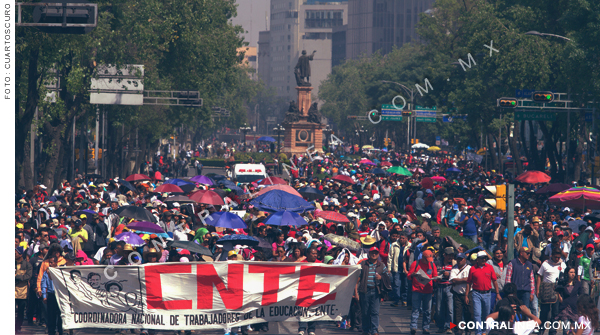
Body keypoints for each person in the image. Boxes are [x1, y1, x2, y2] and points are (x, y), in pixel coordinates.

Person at [465, 250, 500, 335]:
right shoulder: (472, 269)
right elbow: (469, 282)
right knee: (477, 313)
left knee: (487, 314)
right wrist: (466, 295)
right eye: (482, 258)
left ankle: (485, 331)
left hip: (487, 293)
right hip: (476, 293)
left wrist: (497, 293)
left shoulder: (489, 267)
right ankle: (478, 332)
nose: (484, 259)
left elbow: (494, 281)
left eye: (485, 258)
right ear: (477, 259)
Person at [357, 246, 387, 335]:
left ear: (378, 254)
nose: (374, 254)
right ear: (369, 254)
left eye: (376, 253)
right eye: (372, 253)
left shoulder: (381, 265)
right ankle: (366, 330)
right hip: (365, 291)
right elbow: (357, 277)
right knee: (365, 312)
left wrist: (381, 277)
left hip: (376, 291)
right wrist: (356, 292)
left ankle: (374, 330)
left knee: (375, 312)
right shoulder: (363, 264)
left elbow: (389, 278)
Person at [407, 249, 438, 335]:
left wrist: (437, 278)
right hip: (417, 290)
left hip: (428, 291)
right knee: (415, 309)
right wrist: (413, 274)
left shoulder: (432, 264)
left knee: (427, 311)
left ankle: (426, 328)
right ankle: (413, 327)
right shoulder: (415, 263)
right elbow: (409, 276)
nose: (428, 262)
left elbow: (434, 276)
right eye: (427, 260)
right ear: (423, 258)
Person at [536, 248, 565, 335]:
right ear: (551, 255)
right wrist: (537, 289)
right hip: (546, 290)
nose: (557, 259)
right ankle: (541, 330)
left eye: (558, 257)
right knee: (544, 311)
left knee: (555, 313)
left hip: (557, 290)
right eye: (555, 257)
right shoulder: (545, 264)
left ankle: (553, 331)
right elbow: (539, 277)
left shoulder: (562, 264)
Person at [449, 252, 472, 335]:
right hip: (457, 293)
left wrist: (459, 280)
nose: (459, 261)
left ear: (465, 259)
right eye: (458, 259)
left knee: (469, 312)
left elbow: (470, 280)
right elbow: (453, 280)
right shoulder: (454, 268)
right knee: (457, 312)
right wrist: (464, 279)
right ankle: (458, 330)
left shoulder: (469, 268)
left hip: (468, 293)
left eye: (461, 259)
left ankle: (468, 329)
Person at [41, 257, 63, 335]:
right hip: (51, 295)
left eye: (52, 262)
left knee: (60, 315)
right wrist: (44, 296)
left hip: (59, 296)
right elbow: (43, 284)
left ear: (56, 262)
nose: (50, 264)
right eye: (49, 262)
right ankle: (51, 332)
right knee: (51, 315)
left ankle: (60, 331)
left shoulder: (59, 272)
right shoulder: (46, 272)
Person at [16, 246, 33, 333]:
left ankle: (17, 326)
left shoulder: (27, 265)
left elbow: (28, 276)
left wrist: (17, 277)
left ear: (21, 254)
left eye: (16, 253)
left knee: (21, 311)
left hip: (23, 292)